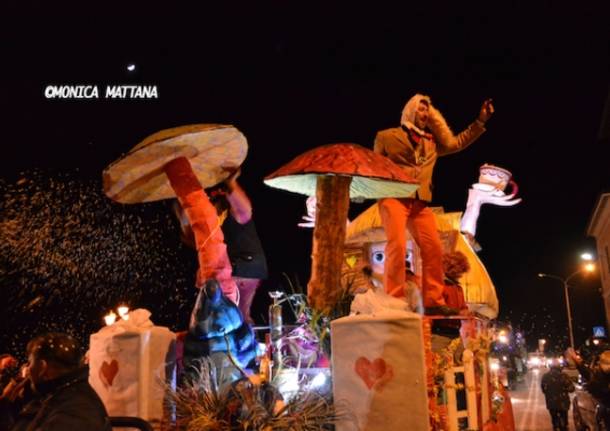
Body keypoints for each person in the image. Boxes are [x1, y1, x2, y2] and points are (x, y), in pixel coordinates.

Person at [374, 94, 494, 315]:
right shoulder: (386, 136)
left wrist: (480, 121)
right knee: (397, 246)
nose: (425, 114)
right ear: (410, 110)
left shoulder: (432, 142)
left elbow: (457, 142)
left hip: (420, 203)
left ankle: (433, 299)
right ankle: (394, 298)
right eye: (421, 109)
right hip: (394, 198)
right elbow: (374, 166)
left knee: (434, 249)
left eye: (427, 111)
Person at [174, 168, 268, 324]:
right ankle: (241, 342)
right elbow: (195, 238)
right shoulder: (214, 225)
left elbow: (245, 210)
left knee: (232, 316)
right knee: (234, 315)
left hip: (242, 268)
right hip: (243, 269)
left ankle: (239, 345)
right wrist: (183, 214)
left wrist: (231, 185)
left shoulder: (232, 216)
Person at [0, 333, 111, 431]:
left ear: (43, 367)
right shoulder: (57, 396)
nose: (27, 369)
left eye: (30, 363)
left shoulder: (74, 411)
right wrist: (6, 405)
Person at [431, 251, 471, 357]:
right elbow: (438, 307)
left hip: (455, 333)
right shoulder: (440, 285)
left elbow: (463, 307)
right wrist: (460, 312)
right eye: (460, 271)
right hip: (440, 334)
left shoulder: (458, 288)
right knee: (440, 367)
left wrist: (467, 312)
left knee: (461, 365)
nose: (461, 274)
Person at [567, 348, 610, 428]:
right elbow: (586, 372)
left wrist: (576, 360)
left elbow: (586, 372)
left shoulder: (596, 375)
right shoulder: (596, 375)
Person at [540, 359, 575, 431]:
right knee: (564, 419)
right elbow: (571, 388)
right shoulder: (564, 376)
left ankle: (555, 426)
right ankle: (564, 426)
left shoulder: (546, 376)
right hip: (563, 403)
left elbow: (543, 389)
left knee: (554, 419)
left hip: (551, 402)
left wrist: (549, 393)